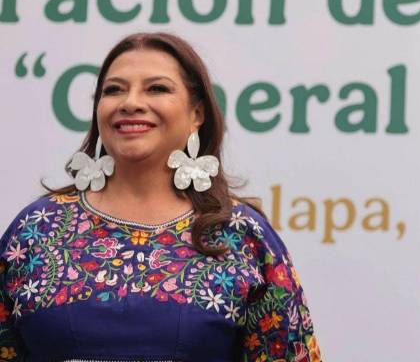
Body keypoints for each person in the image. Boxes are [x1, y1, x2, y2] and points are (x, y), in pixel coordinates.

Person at [0, 32, 321, 361]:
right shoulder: (38, 229)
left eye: (156, 88)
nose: (130, 103)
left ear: (197, 114)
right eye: (114, 90)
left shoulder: (239, 235)